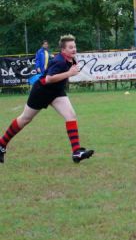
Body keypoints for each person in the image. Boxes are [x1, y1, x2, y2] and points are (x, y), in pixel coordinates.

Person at [0, 34, 94, 164]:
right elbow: (49, 79)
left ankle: (77, 152)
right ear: (63, 50)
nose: (74, 49)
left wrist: (69, 73)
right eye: (70, 47)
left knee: (71, 115)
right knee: (25, 119)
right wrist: (69, 73)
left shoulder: (71, 59)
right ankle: (1, 144)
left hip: (56, 92)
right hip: (42, 91)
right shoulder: (59, 61)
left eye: (74, 47)